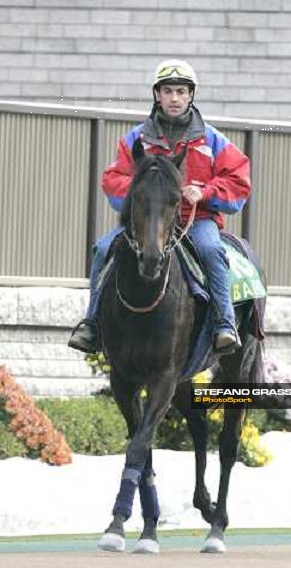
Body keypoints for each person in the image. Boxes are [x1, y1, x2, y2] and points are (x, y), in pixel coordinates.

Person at [69, 59, 251, 356]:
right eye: (168, 91)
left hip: (197, 220)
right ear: (157, 95)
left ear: (191, 95)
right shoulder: (135, 138)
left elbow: (239, 183)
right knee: (103, 249)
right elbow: (113, 179)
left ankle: (224, 323)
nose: (174, 98)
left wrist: (204, 192)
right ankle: (92, 324)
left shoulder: (213, 139)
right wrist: (145, 192)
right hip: (148, 223)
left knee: (210, 251)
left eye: (181, 91)